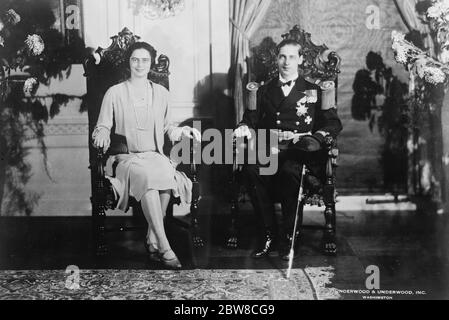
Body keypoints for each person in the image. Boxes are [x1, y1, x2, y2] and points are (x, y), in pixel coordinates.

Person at [92, 41, 201, 269]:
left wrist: (181, 130)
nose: (139, 64)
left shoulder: (161, 93)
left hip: (155, 155)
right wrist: (101, 134)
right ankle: (164, 245)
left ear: (150, 63)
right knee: (149, 178)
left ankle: (151, 238)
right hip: (127, 159)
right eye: (135, 59)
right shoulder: (115, 92)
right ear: (129, 62)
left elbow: (167, 128)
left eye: (144, 60)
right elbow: (102, 125)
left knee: (165, 173)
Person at [233, 39, 342, 260]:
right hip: (270, 150)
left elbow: (332, 123)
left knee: (290, 172)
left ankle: (289, 238)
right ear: (277, 59)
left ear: (301, 59)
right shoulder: (265, 90)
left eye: (292, 57)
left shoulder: (314, 90)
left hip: (300, 153)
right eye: (282, 56)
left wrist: (315, 138)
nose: (286, 62)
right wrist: (243, 127)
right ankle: (267, 235)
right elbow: (250, 118)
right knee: (253, 170)